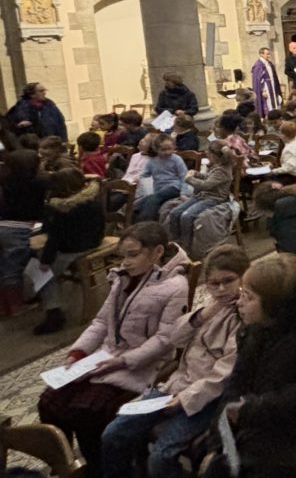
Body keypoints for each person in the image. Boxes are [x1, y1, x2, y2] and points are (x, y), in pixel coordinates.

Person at [38, 223, 189, 478]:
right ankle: (65, 464)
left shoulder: (175, 285)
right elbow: (100, 322)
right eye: (123, 256)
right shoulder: (122, 278)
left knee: (87, 411)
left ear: (157, 252)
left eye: (133, 255)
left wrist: (122, 362)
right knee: (50, 401)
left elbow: (164, 340)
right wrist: (78, 353)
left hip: (140, 364)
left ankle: (101, 468)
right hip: (106, 357)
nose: (125, 262)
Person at [201, 252, 296, 478]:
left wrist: (248, 410)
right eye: (242, 293)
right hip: (265, 416)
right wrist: (218, 441)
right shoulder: (257, 329)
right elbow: (237, 384)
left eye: (249, 297)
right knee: (210, 456)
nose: (239, 302)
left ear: (275, 306)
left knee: (236, 467)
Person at [100, 245, 250, 478]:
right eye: (213, 283)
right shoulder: (211, 307)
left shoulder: (244, 316)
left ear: (243, 278)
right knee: (113, 433)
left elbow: (224, 374)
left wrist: (186, 398)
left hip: (208, 400)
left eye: (228, 281)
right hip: (175, 387)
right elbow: (175, 339)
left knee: (162, 457)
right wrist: (201, 316)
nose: (220, 289)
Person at [33, 168, 105, 335]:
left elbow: (54, 239)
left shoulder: (61, 209)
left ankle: (54, 313)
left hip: (72, 249)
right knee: (41, 259)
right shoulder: (93, 198)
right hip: (94, 241)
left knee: (41, 272)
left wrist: (45, 262)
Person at [0, 149, 49, 316]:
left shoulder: (5, 180)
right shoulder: (37, 182)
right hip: (18, 228)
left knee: (4, 265)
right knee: (14, 268)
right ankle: (17, 306)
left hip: (3, 225)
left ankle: (4, 306)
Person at [165, 141, 234, 255]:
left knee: (187, 215)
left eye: (209, 153)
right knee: (175, 212)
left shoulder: (222, 170)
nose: (207, 154)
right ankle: (176, 241)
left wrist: (189, 179)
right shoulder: (216, 167)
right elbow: (208, 178)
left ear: (215, 155)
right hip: (203, 195)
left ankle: (186, 245)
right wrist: (196, 174)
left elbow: (206, 185)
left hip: (215, 198)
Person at [133, 134, 187, 222]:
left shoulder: (177, 159)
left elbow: (184, 177)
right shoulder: (152, 161)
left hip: (174, 187)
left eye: (170, 149)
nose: (167, 152)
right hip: (159, 189)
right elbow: (144, 174)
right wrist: (138, 178)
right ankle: (136, 222)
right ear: (156, 149)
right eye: (163, 150)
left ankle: (146, 223)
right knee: (139, 203)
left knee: (153, 199)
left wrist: (183, 193)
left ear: (174, 147)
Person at [251, 47, 283, 117]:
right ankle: (269, 116)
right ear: (261, 54)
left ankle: (275, 115)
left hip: (272, 87)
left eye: (269, 54)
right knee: (268, 104)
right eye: (267, 54)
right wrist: (263, 90)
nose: (269, 56)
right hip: (266, 89)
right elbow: (259, 80)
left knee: (275, 103)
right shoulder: (258, 65)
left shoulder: (269, 63)